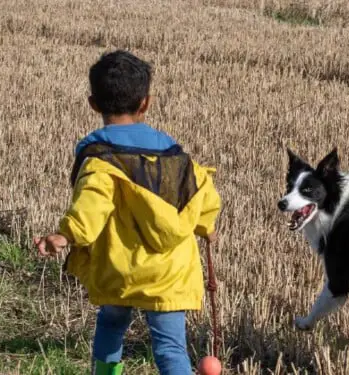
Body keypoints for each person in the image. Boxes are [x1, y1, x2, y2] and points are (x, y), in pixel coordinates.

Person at [33, 50, 221, 375]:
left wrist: (66, 235)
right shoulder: (177, 157)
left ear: (93, 103)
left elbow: (92, 204)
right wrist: (206, 225)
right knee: (170, 349)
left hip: (119, 267)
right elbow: (202, 194)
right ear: (146, 103)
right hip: (170, 274)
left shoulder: (99, 160)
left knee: (111, 323)